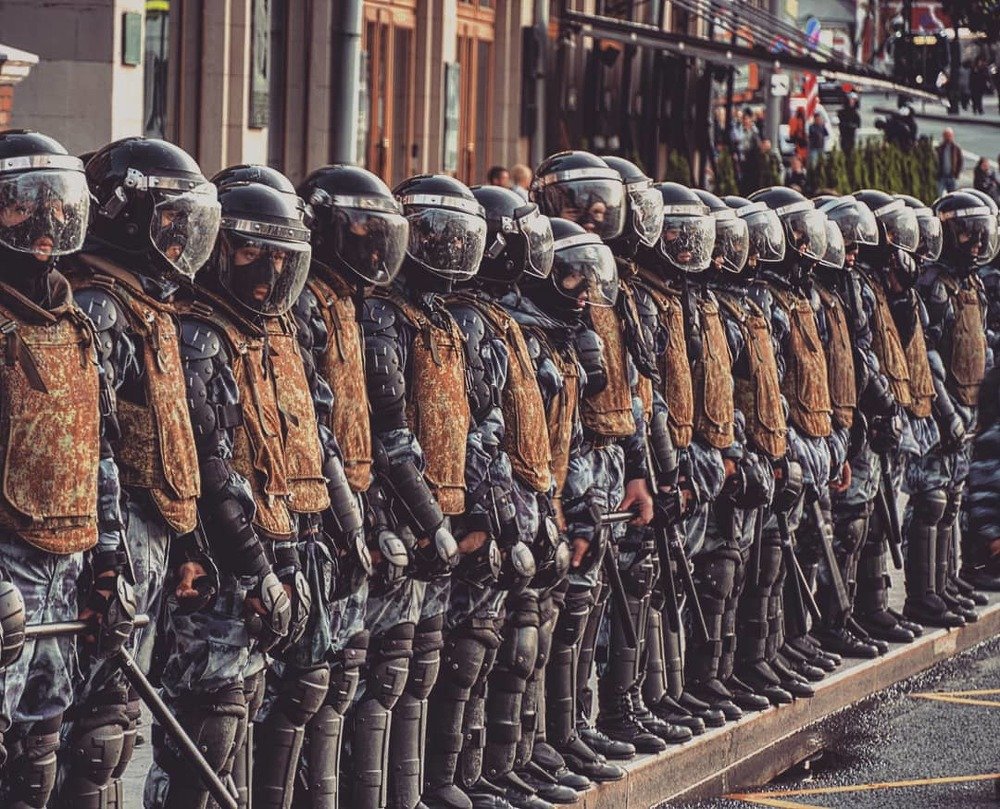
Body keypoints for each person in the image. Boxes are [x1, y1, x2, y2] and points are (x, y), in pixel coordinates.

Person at [57, 137, 219, 809]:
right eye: (171, 223)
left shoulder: (149, 305)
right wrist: (107, 562)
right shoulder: (100, 304)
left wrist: (188, 543)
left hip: (152, 537)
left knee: (118, 723)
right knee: (89, 732)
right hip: (106, 543)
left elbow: (172, 437)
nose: (182, 241)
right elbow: (96, 446)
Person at [0, 129, 132, 809]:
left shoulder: (76, 322)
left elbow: (98, 454)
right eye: (22, 208)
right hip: (7, 573)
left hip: (67, 564)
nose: (44, 225)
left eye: (56, 208)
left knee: (42, 753)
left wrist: (109, 567)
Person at [361, 173, 486, 809]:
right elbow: (389, 432)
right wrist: (429, 518)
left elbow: (469, 423)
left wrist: (481, 511)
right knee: (367, 675)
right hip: (394, 513)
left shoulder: (440, 319)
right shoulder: (382, 314)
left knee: (424, 661)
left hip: (440, 510)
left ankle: (421, 790)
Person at [905, 190, 998, 632]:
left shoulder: (970, 283)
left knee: (953, 499)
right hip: (941, 415)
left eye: (980, 233)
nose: (976, 243)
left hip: (968, 408)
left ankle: (945, 584)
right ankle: (923, 595)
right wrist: (947, 413)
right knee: (931, 500)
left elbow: (979, 344)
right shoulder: (934, 285)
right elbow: (927, 355)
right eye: (967, 232)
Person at [936, 128, 963, 196]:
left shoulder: (956, 148)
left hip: (952, 176)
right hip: (941, 176)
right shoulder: (939, 148)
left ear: (952, 136)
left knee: (953, 196)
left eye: (949, 136)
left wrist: (957, 174)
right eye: (946, 136)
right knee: (939, 195)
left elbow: (960, 161)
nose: (947, 138)